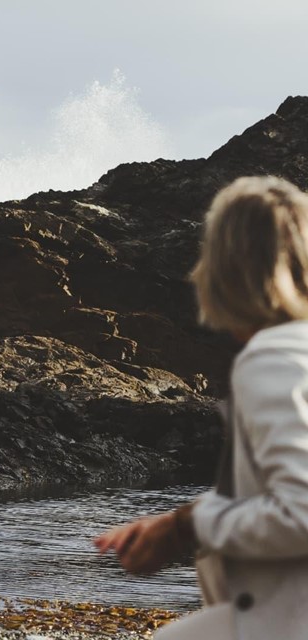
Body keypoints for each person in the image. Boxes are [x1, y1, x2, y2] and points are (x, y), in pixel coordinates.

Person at [94, 175, 308, 640]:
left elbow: (302, 509)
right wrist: (176, 522)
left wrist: (187, 529)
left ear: (223, 268)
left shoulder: (273, 357)